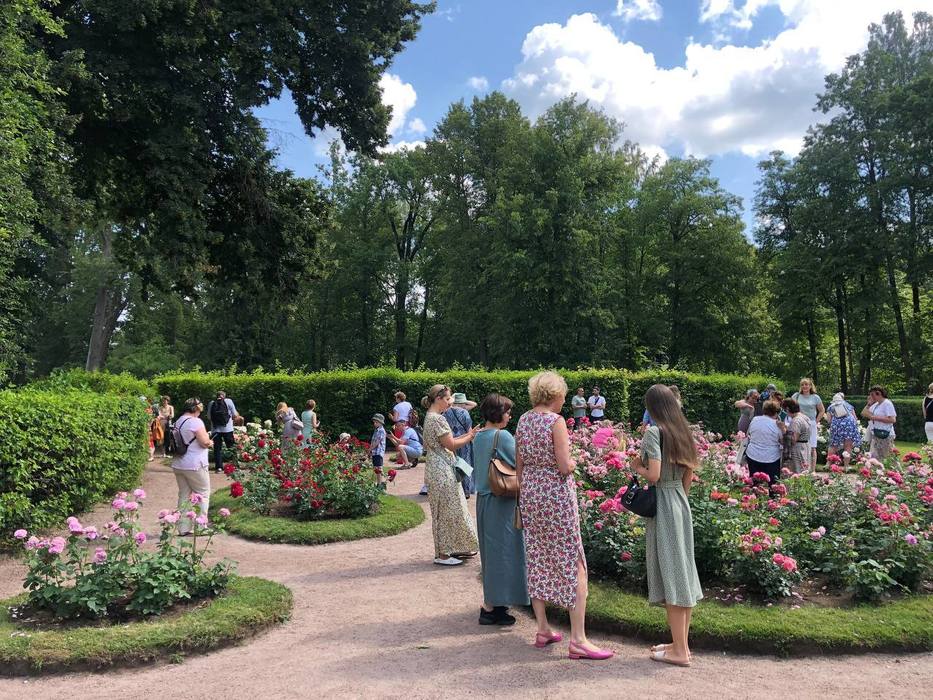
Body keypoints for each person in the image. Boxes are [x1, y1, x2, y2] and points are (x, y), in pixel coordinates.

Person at [516, 371, 611, 660]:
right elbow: (562, 466)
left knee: (538, 556)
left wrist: (527, 491)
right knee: (574, 561)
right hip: (555, 496)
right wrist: (574, 460)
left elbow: (519, 464)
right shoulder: (555, 422)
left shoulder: (523, 419)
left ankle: (543, 628)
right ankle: (579, 639)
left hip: (531, 494)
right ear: (555, 395)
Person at [631, 384, 703, 667]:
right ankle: (680, 643)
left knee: (673, 576)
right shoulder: (682, 431)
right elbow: (688, 476)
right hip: (679, 504)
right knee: (682, 574)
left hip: (663, 502)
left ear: (652, 406)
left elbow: (654, 475)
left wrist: (637, 466)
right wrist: (678, 500)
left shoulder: (653, 432)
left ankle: (680, 652)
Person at [472, 393, 528, 626]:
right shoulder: (502, 435)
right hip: (501, 500)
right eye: (507, 411)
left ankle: (495, 603)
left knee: (491, 553)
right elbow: (521, 461)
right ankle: (491, 607)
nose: (509, 415)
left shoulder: (479, 436)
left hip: (485, 499)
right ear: (498, 413)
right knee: (505, 553)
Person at [421, 384, 479, 566]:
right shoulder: (437, 419)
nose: (449, 404)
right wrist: (470, 436)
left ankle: (451, 549)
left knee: (448, 509)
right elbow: (451, 444)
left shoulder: (430, 417)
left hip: (436, 466)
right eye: (447, 400)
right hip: (442, 468)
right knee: (447, 510)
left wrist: (469, 435)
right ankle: (444, 554)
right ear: (438, 399)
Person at [171, 398, 213, 535]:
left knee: (184, 495)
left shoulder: (179, 421)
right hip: (194, 464)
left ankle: (183, 529)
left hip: (179, 464)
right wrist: (210, 442)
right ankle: (201, 527)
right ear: (196, 409)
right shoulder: (196, 421)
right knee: (203, 493)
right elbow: (204, 442)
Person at [745, 401, 786, 488]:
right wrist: (783, 429)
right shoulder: (777, 425)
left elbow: (749, 434)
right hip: (771, 457)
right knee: (773, 484)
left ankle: (752, 498)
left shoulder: (755, 419)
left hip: (753, 454)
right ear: (777, 412)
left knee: (754, 482)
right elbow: (783, 441)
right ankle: (773, 499)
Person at [444, 392, 477, 498]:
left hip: (450, 440)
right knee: (465, 465)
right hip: (464, 440)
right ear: (462, 402)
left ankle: (454, 489)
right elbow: (469, 429)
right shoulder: (464, 413)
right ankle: (466, 490)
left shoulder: (445, 412)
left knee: (453, 464)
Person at [792, 378, 824, 469]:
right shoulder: (796, 396)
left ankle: (813, 469)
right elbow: (790, 407)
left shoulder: (815, 397)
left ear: (810, 386)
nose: (804, 386)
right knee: (798, 445)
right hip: (798, 423)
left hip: (811, 423)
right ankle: (800, 468)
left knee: (812, 447)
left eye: (806, 384)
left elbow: (821, 410)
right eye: (802, 385)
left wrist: (816, 421)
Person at [826, 392, 861, 468]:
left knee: (833, 445)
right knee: (848, 446)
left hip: (837, 426)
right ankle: (846, 466)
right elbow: (855, 418)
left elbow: (829, 420)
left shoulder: (830, 407)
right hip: (850, 425)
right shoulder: (848, 405)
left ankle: (828, 464)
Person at [207, 391, 239, 473]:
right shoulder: (229, 401)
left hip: (215, 430)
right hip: (227, 429)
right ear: (224, 396)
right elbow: (235, 415)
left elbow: (209, 417)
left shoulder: (212, 403)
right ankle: (235, 465)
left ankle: (219, 467)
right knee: (231, 447)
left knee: (217, 449)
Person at [862, 385, 897, 459]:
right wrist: (869, 404)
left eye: (872, 394)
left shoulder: (887, 403)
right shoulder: (876, 404)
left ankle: (894, 470)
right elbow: (864, 413)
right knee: (877, 456)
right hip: (877, 433)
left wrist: (875, 418)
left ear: (878, 393)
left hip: (886, 434)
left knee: (888, 456)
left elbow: (892, 419)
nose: (871, 397)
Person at [782, 398, 811, 473]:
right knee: (805, 469)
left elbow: (793, 439)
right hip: (806, 445)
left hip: (798, 448)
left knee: (798, 471)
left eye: (784, 410)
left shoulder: (796, 421)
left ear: (788, 409)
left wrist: (783, 429)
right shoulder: (804, 417)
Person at [370, 414, 387, 488]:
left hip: (378, 452)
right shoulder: (376, 430)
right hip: (375, 452)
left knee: (379, 468)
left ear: (381, 422)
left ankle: (380, 484)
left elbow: (377, 442)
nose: (374, 424)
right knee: (376, 468)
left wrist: (370, 449)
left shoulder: (381, 431)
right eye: (374, 422)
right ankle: (379, 482)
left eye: (376, 422)